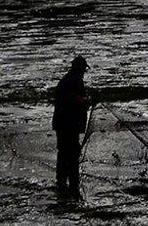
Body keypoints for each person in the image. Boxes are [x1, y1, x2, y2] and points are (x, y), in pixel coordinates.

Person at [52, 56, 93, 196]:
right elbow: (74, 99)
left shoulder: (68, 79)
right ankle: (72, 183)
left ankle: (62, 182)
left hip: (63, 123)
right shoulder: (74, 80)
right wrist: (88, 101)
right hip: (68, 124)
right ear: (79, 68)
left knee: (64, 153)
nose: (84, 72)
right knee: (71, 153)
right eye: (83, 68)